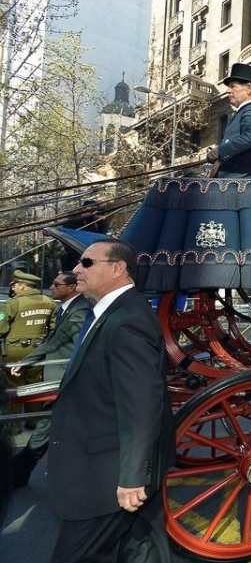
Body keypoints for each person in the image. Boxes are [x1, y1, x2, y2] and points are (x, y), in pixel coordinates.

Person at [48, 238, 173, 562]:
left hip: (108, 477)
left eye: (87, 262)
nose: (77, 269)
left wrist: (132, 478)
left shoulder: (127, 320)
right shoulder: (108, 312)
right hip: (106, 466)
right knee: (143, 549)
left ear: (118, 269)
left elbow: (142, 405)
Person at [8, 272, 92, 488]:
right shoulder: (65, 307)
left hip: (65, 381)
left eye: (56, 284)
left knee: (48, 427)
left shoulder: (80, 312)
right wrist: (26, 361)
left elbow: (81, 349)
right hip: (58, 377)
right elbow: (53, 342)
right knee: (51, 426)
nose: (51, 287)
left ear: (71, 287)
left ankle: (20, 471)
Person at [0, 270, 57, 433]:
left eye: (15, 285)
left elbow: (1, 328)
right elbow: (54, 328)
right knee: (35, 385)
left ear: (23, 286)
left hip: (13, 351)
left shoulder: (12, 304)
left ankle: (14, 426)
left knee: (13, 386)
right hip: (38, 350)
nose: (13, 288)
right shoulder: (49, 302)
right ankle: (34, 422)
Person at [206, 62, 251, 177]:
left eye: (233, 86)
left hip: (239, 181)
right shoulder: (242, 112)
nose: (228, 91)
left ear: (249, 88)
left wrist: (220, 150)